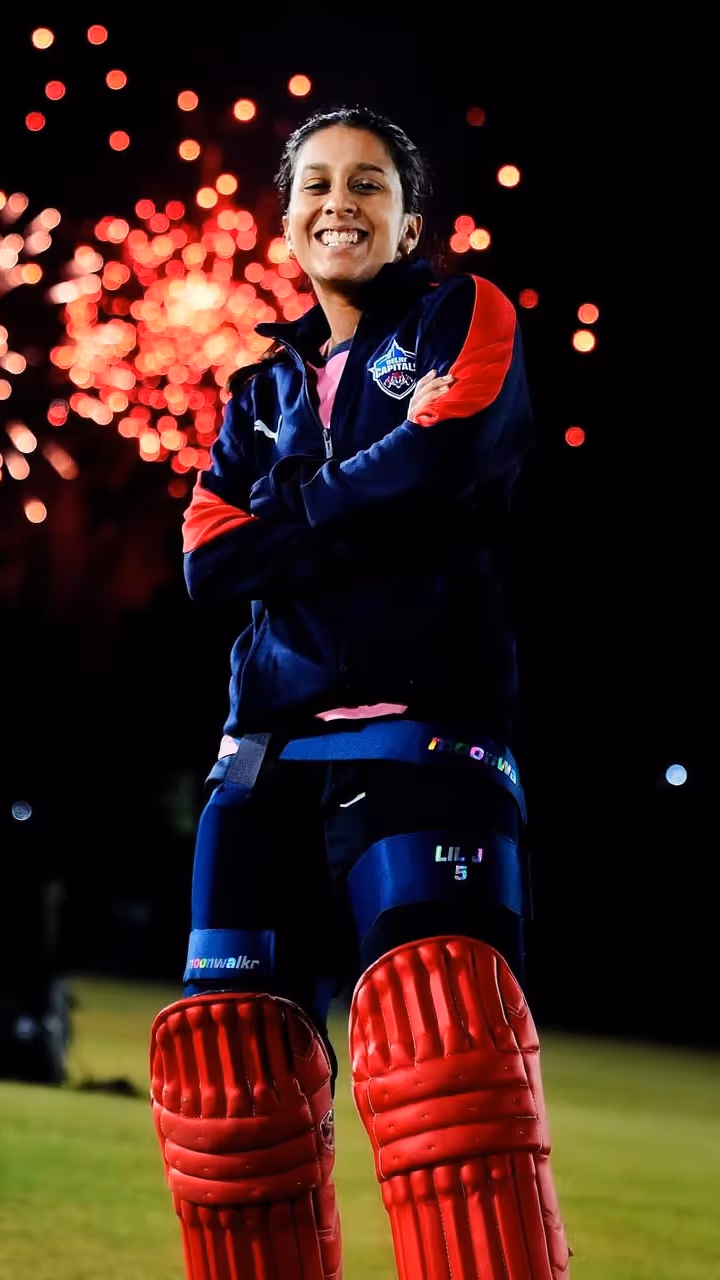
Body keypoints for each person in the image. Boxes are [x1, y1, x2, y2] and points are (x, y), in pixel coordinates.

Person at [150, 106, 571, 1279]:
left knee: (451, 1050)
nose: (341, 201)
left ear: (410, 221)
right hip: (261, 766)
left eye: (369, 184)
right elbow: (208, 561)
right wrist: (365, 503)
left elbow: (448, 452)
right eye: (318, 185)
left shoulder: (464, 315)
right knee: (232, 1094)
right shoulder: (256, 389)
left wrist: (291, 515)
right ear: (288, 223)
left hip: (425, 746)